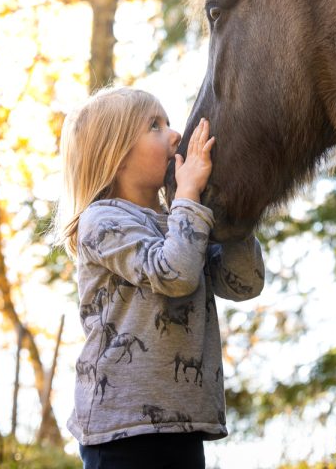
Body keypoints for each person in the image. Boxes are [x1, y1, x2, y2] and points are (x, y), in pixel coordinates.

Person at [57, 86, 266, 469]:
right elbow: (175, 274)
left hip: (183, 422)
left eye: (169, 122)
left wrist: (233, 210)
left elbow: (244, 283)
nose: (175, 136)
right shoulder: (101, 221)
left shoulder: (183, 220)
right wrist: (187, 193)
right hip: (122, 430)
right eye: (155, 126)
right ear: (115, 157)